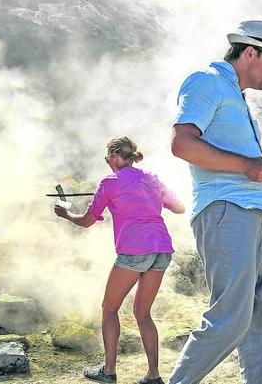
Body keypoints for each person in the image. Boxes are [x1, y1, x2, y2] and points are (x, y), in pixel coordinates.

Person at [167, 20, 262, 383]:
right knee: (231, 319)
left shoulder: (240, 102)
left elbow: (261, 166)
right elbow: (182, 144)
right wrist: (247, 165)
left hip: (254, 215)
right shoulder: (206, 81)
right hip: (226, 211)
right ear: (250, 52)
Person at [54, 136, 185, 384]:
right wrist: (153, 197)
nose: (107, 163)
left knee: (110, 308)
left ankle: (109, 371)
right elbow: (179, 207)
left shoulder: (109, 182)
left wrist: (66, 214)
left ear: (114, 157)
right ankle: (153, 376)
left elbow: (86, 221)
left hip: (135, 251)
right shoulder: (152, 178)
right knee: (143, 313)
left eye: (107, 159)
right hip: (161, 249)